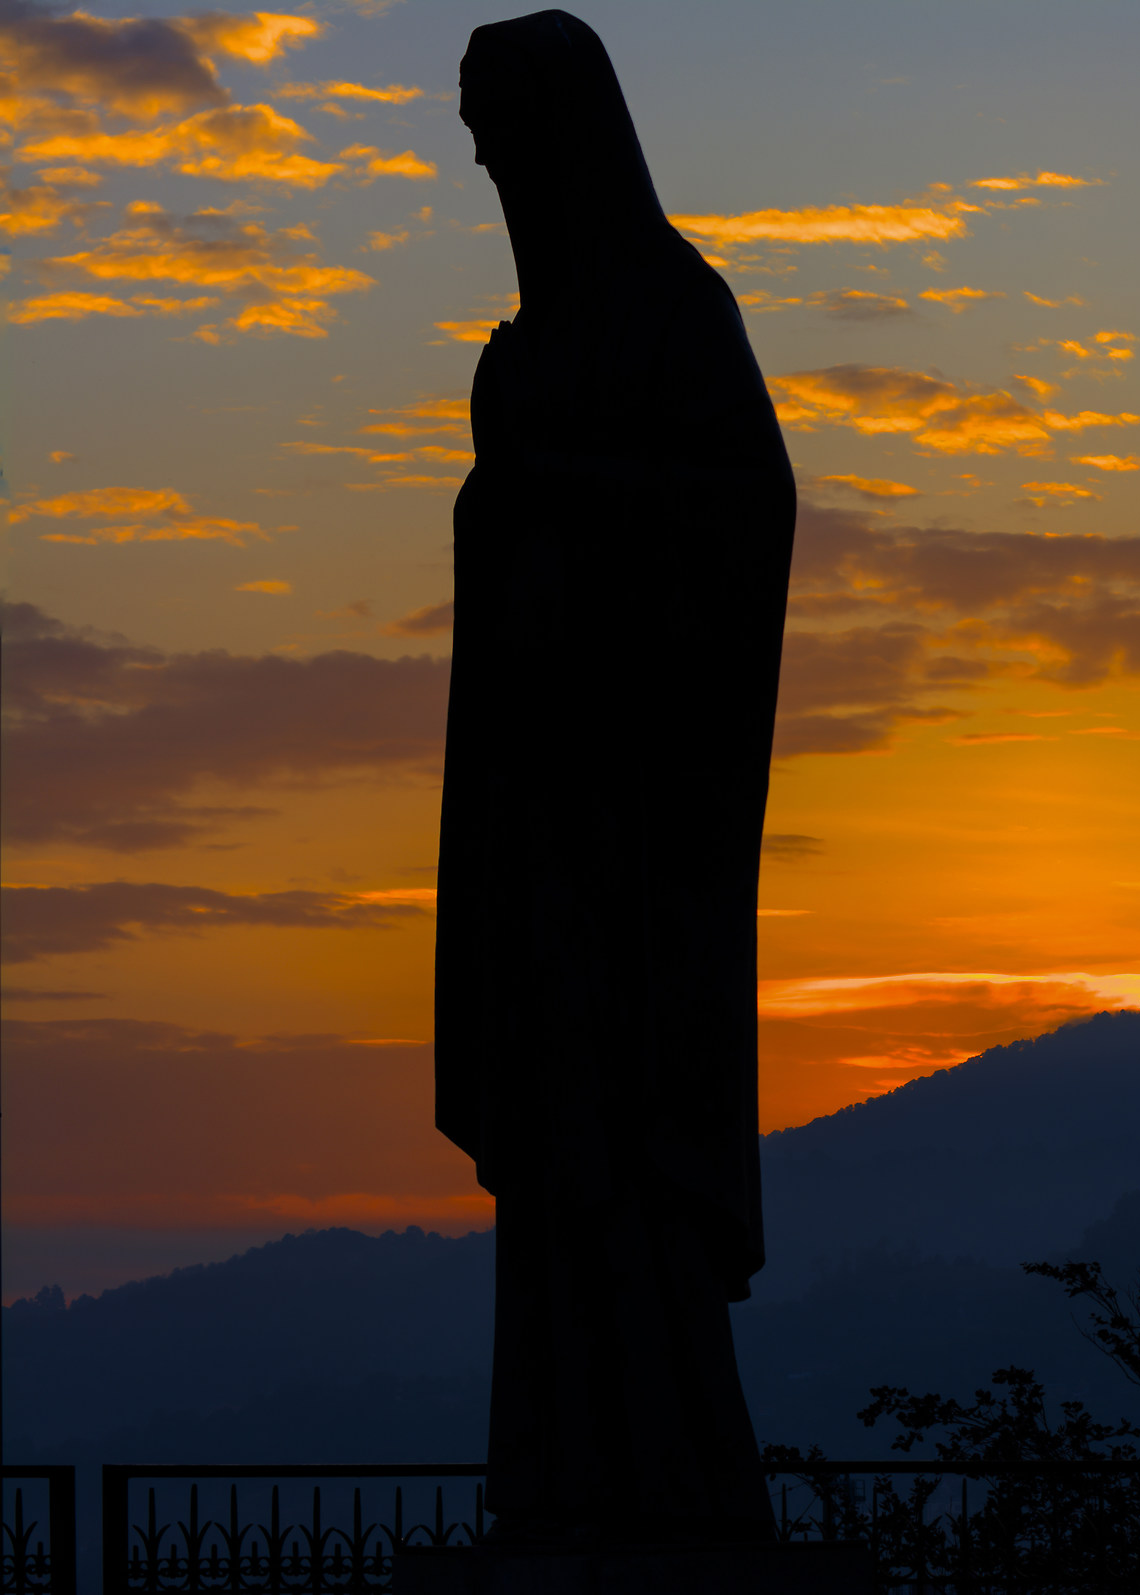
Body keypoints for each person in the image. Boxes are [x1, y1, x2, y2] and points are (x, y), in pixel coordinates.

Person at [435, 10, 794, 1544]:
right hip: (547, 833)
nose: (490, 169)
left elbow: (746, 516)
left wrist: (550, 469)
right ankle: (564, 1471)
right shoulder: (538, 343)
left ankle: (664, 1480)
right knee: (557, 1165)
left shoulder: (675, 312)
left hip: (641, 855)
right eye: (478, 146)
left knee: (626, 1158)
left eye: (505, 140)